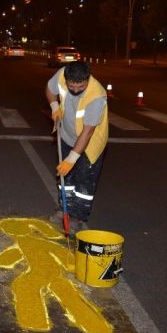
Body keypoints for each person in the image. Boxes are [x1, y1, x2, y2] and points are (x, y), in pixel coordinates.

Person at [45, 61, 108, 234]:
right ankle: (65, 209)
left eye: (80, 86)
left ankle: (78, 217)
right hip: (67, 135)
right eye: (71, 86)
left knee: (83, 182)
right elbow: (50, 89)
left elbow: (87, 133)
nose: (75, 90)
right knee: (66, 179)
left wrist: (72, 159)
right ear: (67, 78)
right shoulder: (62, 74)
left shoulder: (97, 96)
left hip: (89, 145)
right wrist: (54, 106)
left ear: (87, 80)